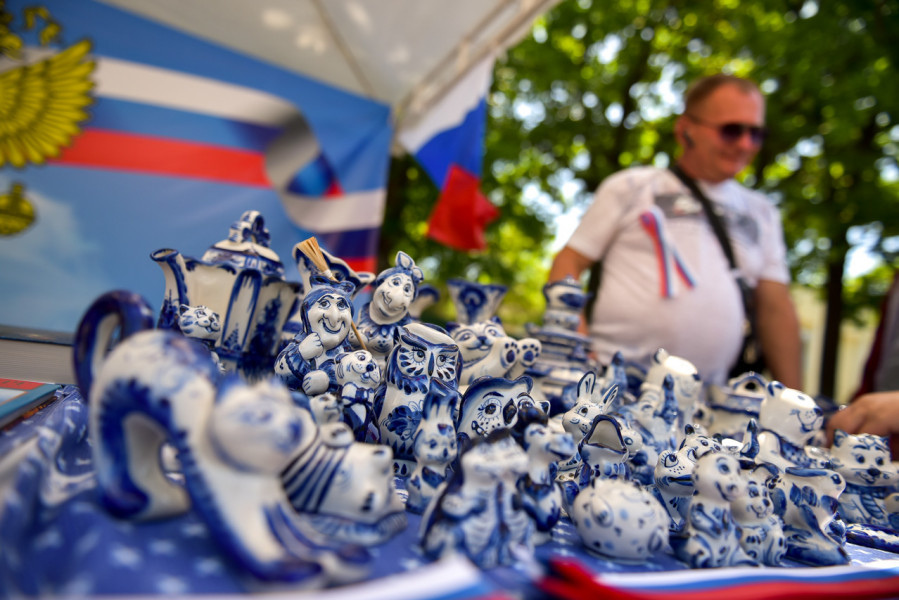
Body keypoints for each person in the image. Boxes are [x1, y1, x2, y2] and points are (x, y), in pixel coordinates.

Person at [548, 74, 802, 388]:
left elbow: (776, 310)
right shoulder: (630, 186)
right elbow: (568, 263)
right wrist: (575, 352)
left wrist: (796, 400)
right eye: (731, 130)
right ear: (685, 130)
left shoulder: (762, 213)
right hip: (612, 388)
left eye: (756, 133)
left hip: (707, 401)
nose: (745, 144)